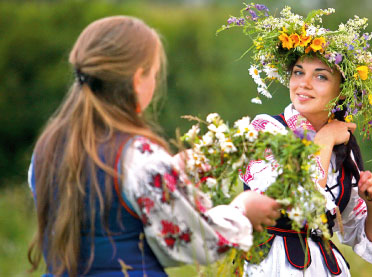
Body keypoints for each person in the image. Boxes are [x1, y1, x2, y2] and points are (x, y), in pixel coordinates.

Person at [27, 16, 281, 276]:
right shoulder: (139, 155)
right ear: (138, 78)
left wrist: (173, 172)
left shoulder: (47, 147)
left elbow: (107, 210)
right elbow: (196, 243)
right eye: (154, 73)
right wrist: (243, 210)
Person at [222, 4, 372, 276]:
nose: (304, 83)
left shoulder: (343, 150)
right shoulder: (265, 129)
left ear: (341, 92)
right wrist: (325, 139)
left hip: (323, 267)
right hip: (270, 265)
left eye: (320, 76)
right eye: (298, 71)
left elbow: (362, 236)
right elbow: (297, 204)